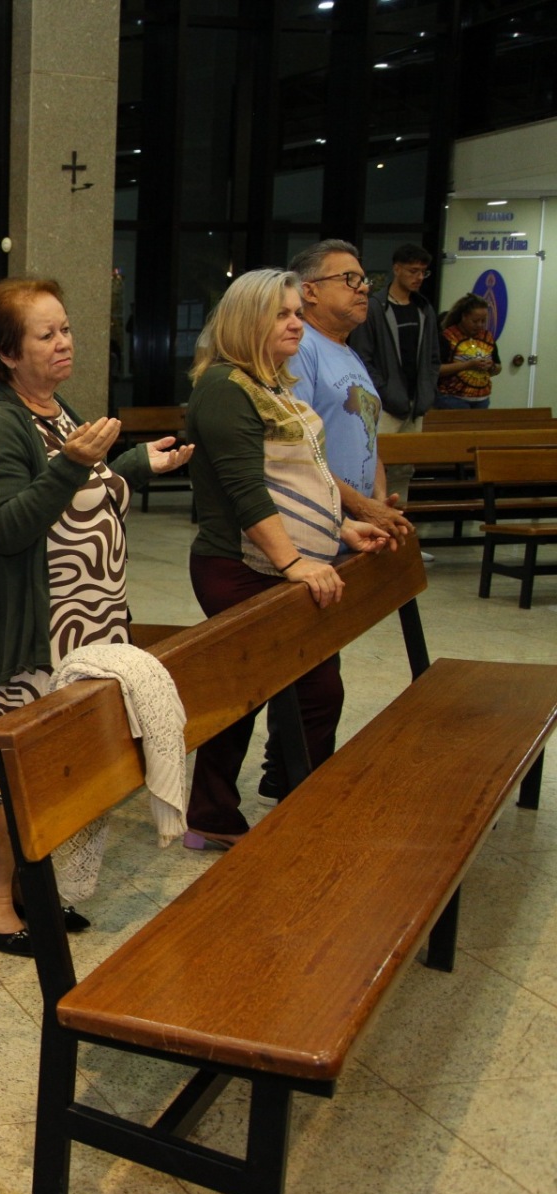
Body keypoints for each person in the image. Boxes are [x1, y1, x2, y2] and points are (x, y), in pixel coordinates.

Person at [0, 277, 191, 952]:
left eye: (65, 329)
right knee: (23, 773)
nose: (64, 342)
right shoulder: (0, 426)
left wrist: (135, 465)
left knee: (64, 765)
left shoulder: (57, 411)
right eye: (46, 334)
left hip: (90, 623)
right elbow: (7, 527)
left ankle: (36, 889)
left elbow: (81, 490)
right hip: (38, 634)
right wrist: (72, 464)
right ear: (8, 352)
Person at [183, 269, 396, 848]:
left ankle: (263, 798)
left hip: (277, 562)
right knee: (264, 690)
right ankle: (239, 809)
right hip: (240, 567)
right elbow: (247, 491)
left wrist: (343, 526)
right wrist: (294, 565)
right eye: (281, 313)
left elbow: (302, 479)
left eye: (298, 312)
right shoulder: (225, 386)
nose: (296, 323)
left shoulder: (271, 382)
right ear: (247, 320)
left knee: (267, 689)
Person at [285, 241, 413, 542]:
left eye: (363, 280)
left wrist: (378, 500)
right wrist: (362, 506)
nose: (364, 288)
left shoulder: (347, 351)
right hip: (319, 525)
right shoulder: (300, 348)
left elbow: (368, 436)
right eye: (349, 279)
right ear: (310, 291)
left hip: (357, 524)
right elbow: (297, 448)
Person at [350, 244, 440, 502]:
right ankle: (373, 516)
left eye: (423, 272)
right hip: (384, 403)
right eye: (413, 271)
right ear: (396, 269)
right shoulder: (376, 307)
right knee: (373, 465)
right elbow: (363, 356)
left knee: (405, 469)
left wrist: (428, 391)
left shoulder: (423, 308)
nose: (419, 277)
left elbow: (433, 357)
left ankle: (399, 519)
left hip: (415, 403)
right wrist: (383, 390)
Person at [435, 294, 502, 410]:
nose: (480, 325)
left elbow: (498, 366)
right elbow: (436, 369)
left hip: (482, 399)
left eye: (483, 321)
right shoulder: (447, 337)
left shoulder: (487, 337)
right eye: (475, 321)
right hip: (452, 398)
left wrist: (491, 366)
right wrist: (468, 365)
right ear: (464, 316)